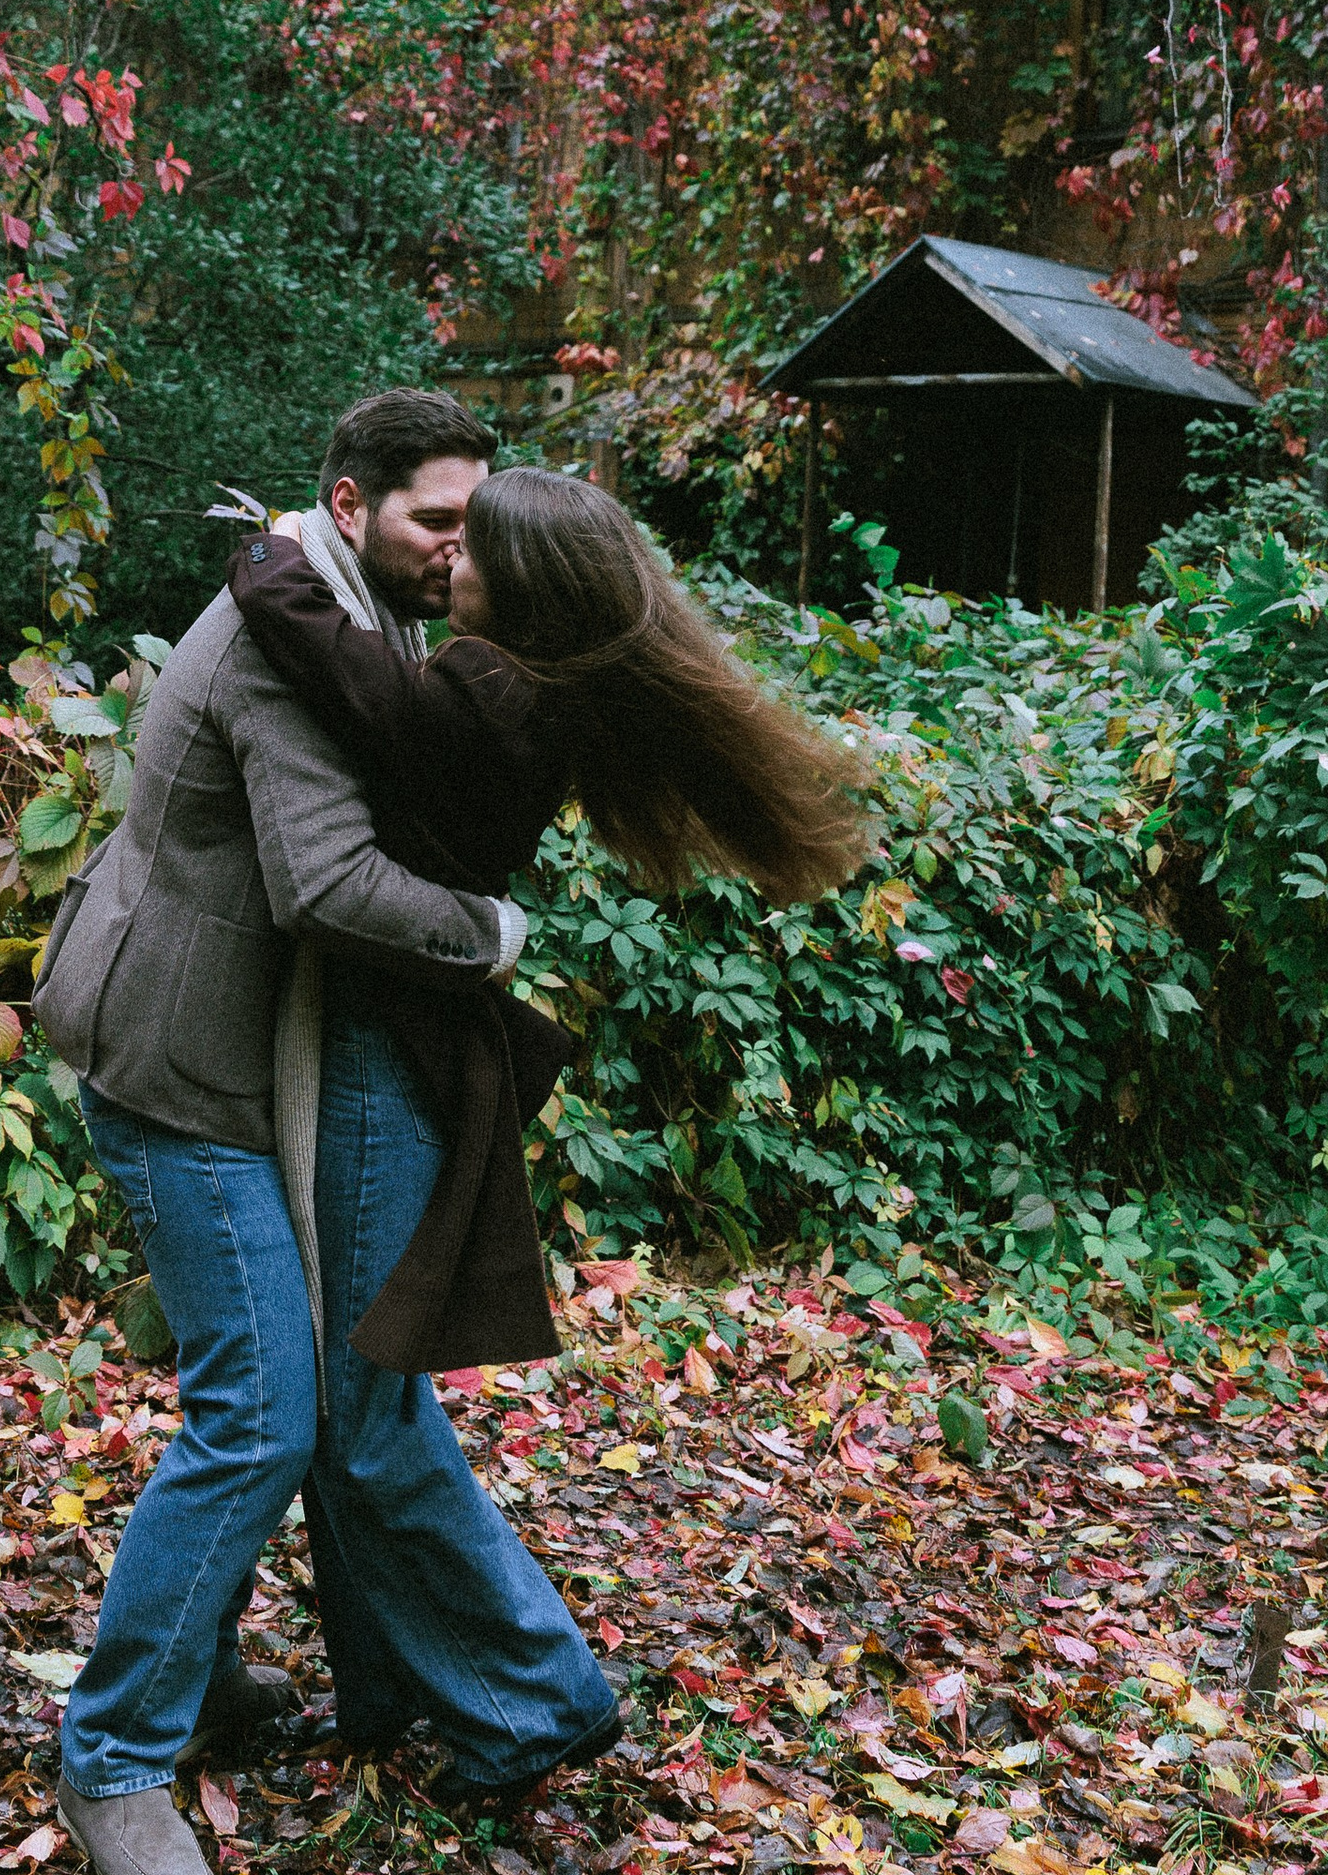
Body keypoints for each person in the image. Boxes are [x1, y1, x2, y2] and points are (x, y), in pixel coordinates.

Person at [35, 388, 615, 1875]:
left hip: (239, 1056)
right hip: (180, 1072)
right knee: (262, 1418)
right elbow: (330, 882)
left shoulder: (358, 605)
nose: (458, 550)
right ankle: (113, 1757)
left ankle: (198, 1664)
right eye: (438, 521)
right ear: (348, 504)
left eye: (474, 525)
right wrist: (491, 936)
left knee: (280, 1400)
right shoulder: (278, 651)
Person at [227, 463, 868, 1376]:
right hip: (414, 1014)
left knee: (370, 1384)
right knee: (367, 1378)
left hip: (395, 1027)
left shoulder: (488, 690)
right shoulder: (534, 689)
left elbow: (339, 661)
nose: (451, 557)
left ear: (521, 582)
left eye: (473, 546)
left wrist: (271, 550)